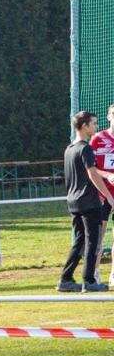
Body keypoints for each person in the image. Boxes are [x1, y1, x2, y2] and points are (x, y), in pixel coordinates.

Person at [59, 111, 108, 293]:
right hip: (88, 202)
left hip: (73, 201)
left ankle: (65, 279)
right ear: (85, 125)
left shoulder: (69, 149)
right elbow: (92, 174)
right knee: (92, 241)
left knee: (79, 241)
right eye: (94, 123)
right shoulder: (85, 148)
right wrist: (108, 196)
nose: (96, 127)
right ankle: (89, 281)